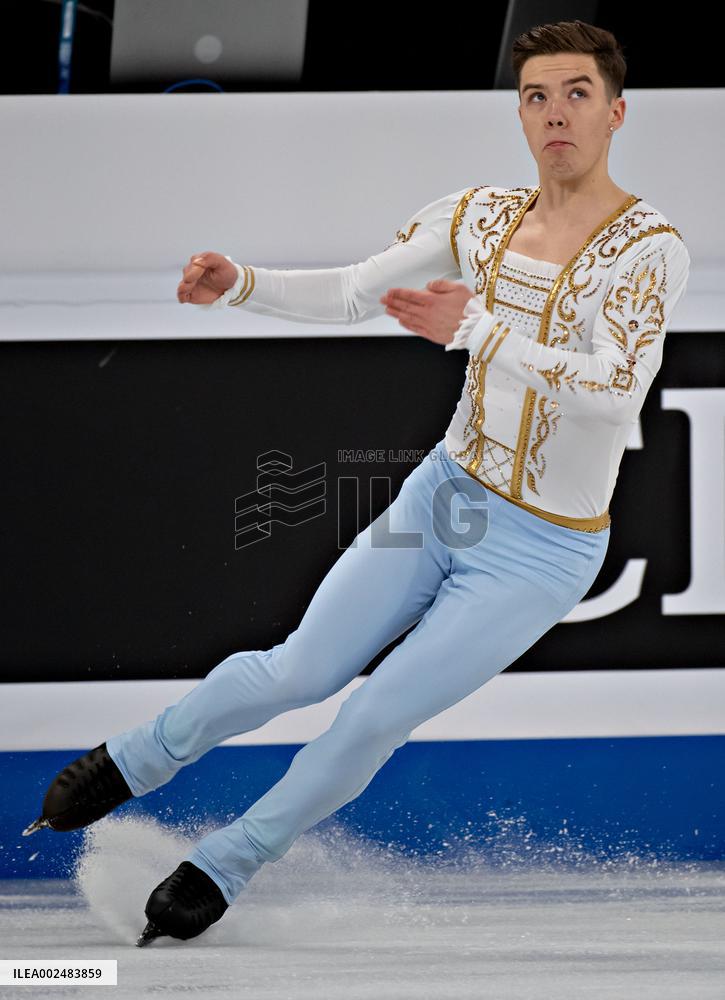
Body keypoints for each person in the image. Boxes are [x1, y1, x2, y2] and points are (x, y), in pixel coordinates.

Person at [24, 20, 690, 946]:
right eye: (535, 96)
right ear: (519, 114)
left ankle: (226, 861)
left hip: (542, 551)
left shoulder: (648, 249)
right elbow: (351, 291)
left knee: (370, 716)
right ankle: (135, 758)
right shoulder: (479, 217)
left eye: (575, 93)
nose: (554, 115)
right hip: (447, 497)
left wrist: (480, 330)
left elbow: (617, 393)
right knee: (298, 668)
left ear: (615, 113)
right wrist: (240, 284)